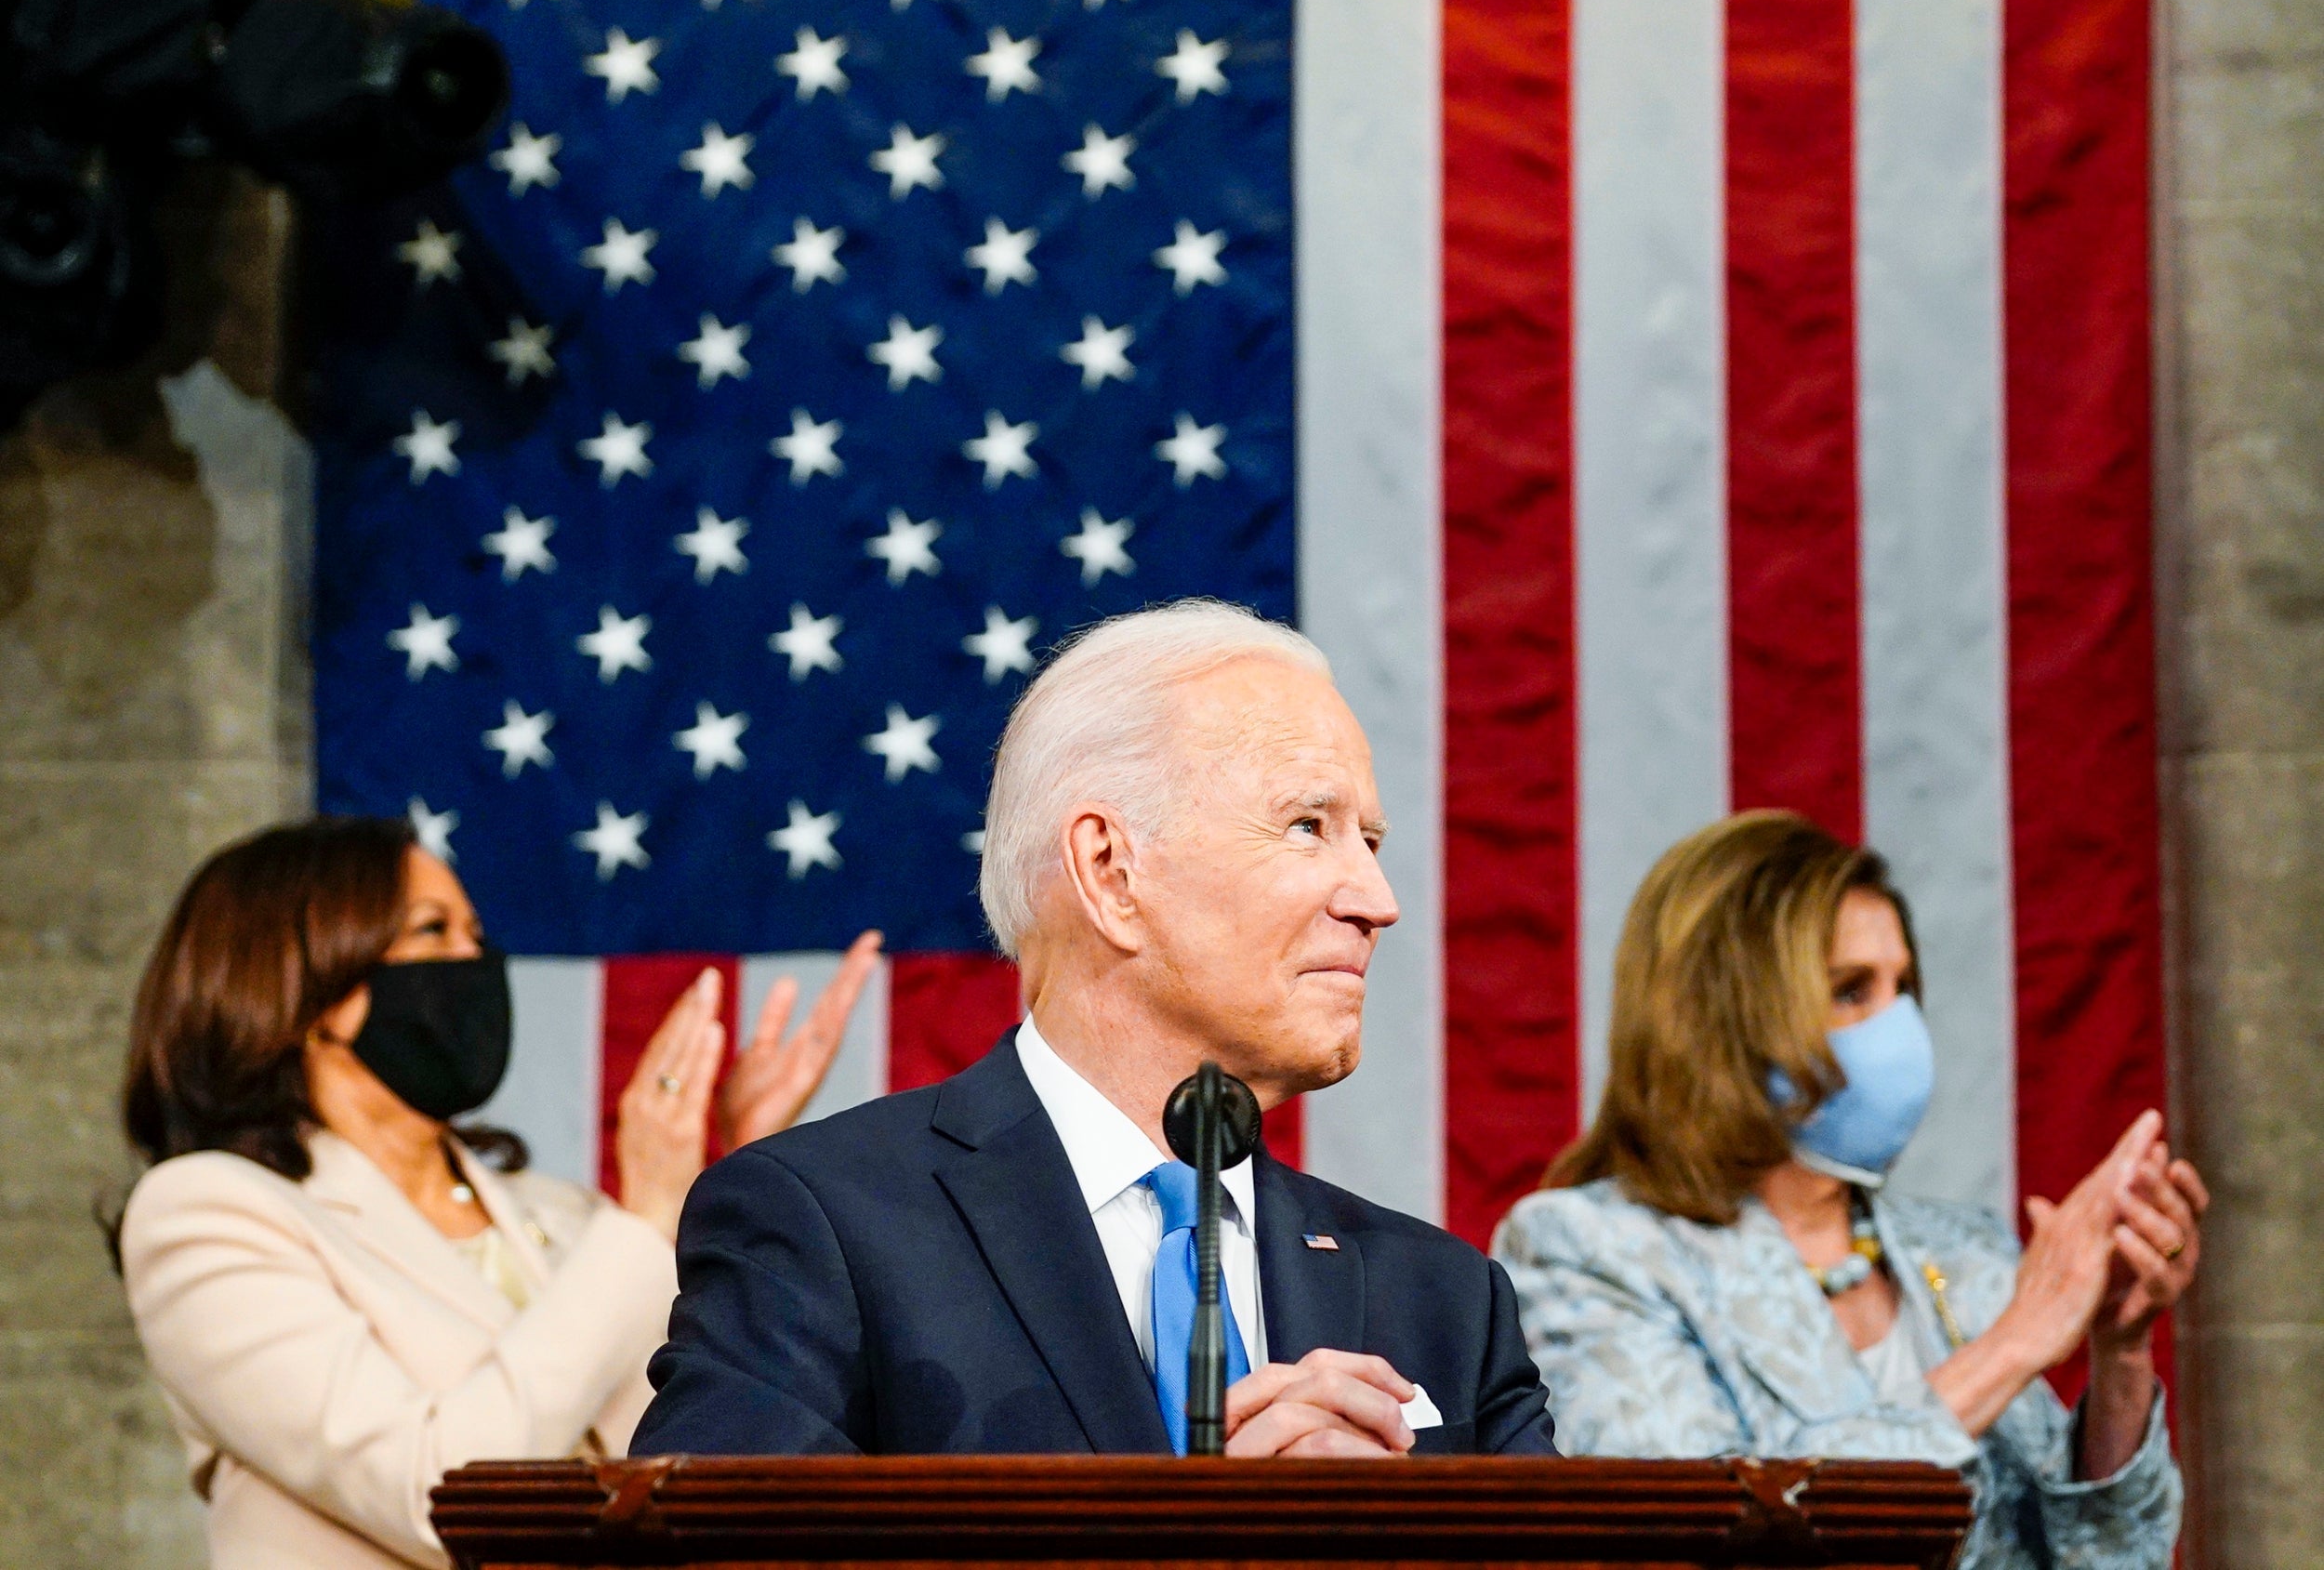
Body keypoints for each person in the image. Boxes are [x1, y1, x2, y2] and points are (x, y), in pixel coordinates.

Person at [632, 600, 1558, 1458]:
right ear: (1111, 870)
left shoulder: (1445, 1302)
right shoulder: (825, 1230)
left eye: (1371, 842)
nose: (1375, 901)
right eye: (1309, 825)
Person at [114, 816, 879, 1570]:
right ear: (306, 982)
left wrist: (733, 1168)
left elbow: (718, 1435)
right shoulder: (203, 1214)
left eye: (475, 937)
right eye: (432, 931)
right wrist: (649, 1211)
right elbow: (440, 1495)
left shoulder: (564, 1216)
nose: (474, 962)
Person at [1493, 811, 2198, 1569]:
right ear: (1723, 1018)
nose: (1900, 1028)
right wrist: (2015, 1345)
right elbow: (1700, 1537)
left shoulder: (1961, 1250)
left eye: (1903, 988)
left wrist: (2119, 1347)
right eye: (1852, 991)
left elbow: (2113, 1558)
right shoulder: (1586, 1248)